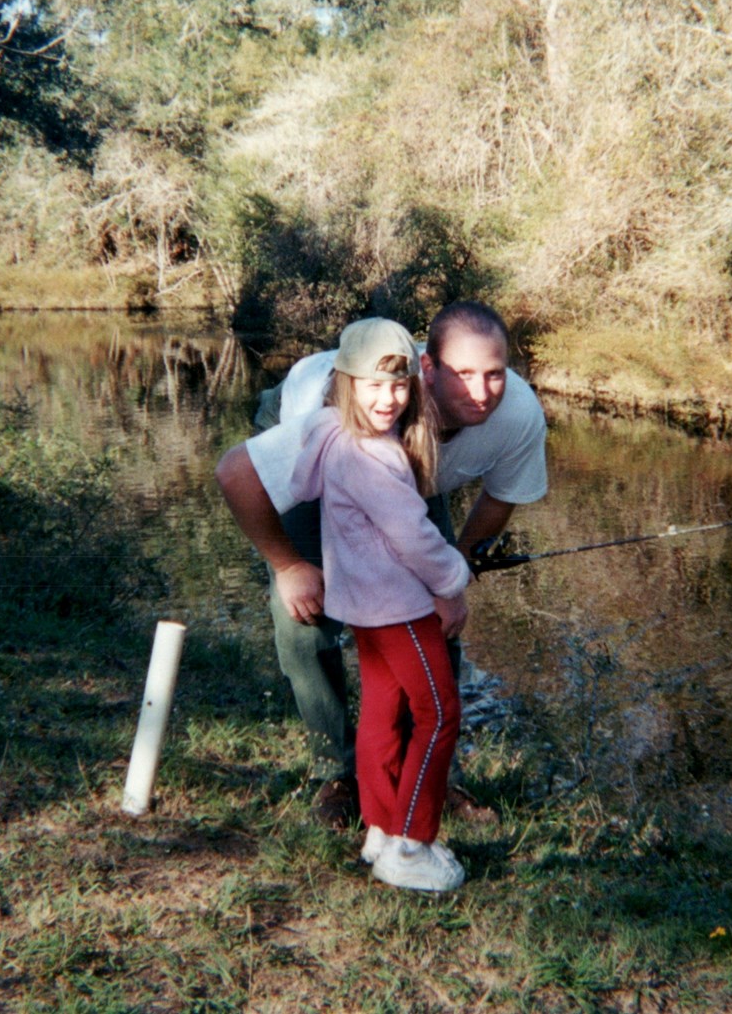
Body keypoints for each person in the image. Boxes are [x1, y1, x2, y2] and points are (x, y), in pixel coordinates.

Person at [215, 301, 548, 828]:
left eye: (494, 374)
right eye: (463, 375)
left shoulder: (519, 415)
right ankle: (335, 771)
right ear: (428, 367)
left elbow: (501, 495)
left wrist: (453, 574)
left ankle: (433, 774)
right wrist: (287, 567)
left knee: (438, 617)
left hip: (405, 473)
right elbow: (236, 474)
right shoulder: (338, 418)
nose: (482, 393)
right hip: (320, 441)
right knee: (305, 616)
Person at [286, 317, 472, 891]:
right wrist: (455, 578)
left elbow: (300, 482)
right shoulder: (374, 456)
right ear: (345, 382)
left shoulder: (330, 434)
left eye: (400, 386)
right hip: (398, 608)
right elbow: (414, 535)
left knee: (381, 717)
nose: (389, 399)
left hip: (362, 607)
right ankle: (412, 844)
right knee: (439, 715)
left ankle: (379, 829)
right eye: (374, 385)